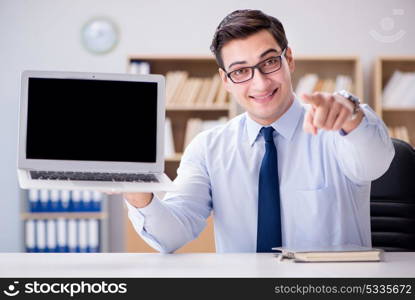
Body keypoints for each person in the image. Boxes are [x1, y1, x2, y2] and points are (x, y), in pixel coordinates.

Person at [123, 9, 394, 253]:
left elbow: (376, 162)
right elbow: (171, 235)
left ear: (288, 59)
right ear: (225, 80)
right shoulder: (208, 148)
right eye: (240, 71)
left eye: (269, 62)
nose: (260, 83)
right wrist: (137, 192)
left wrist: (352, 115)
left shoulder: (336, 128)